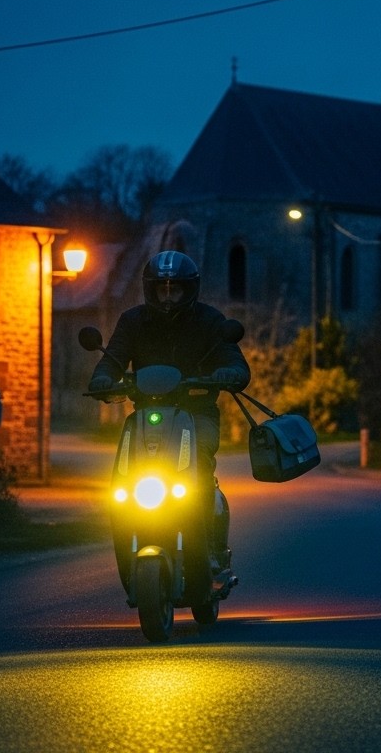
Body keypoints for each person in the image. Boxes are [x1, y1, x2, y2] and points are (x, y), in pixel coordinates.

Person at [88, 250, 250, 590]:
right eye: (160, 289)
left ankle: (212, 551)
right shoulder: (132, 321)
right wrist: (103, 377)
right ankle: (128, 532)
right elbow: (113, 357)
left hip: (197, 413)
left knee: (200, 472)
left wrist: (229, 372)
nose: (167, 296)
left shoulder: (209, 321)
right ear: (150, 289)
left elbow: (235, 361)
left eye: (174, 289)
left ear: (189, 289)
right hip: (145, 415)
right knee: (123, 482)